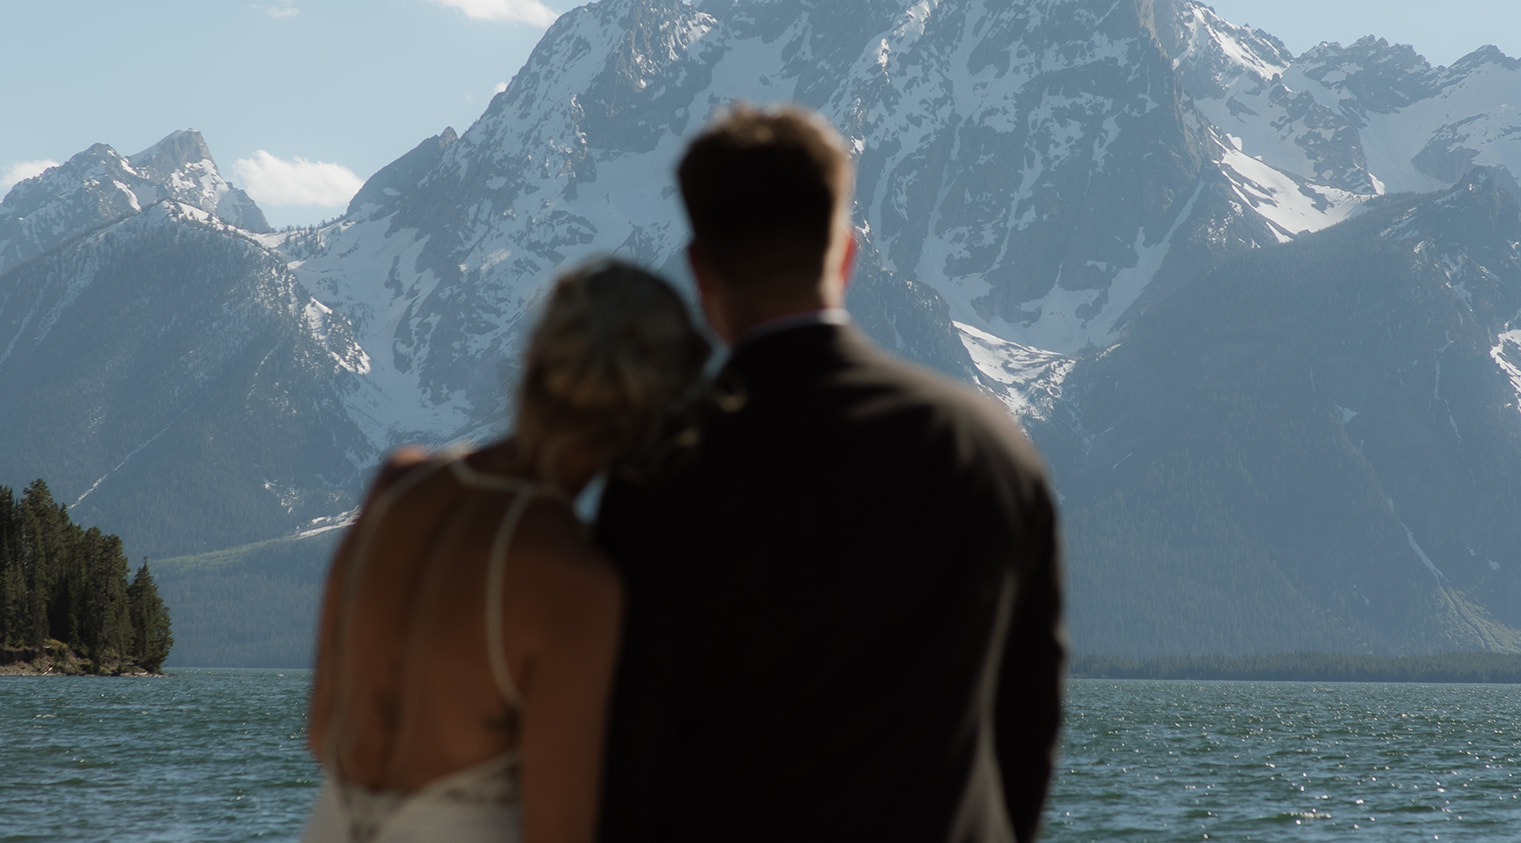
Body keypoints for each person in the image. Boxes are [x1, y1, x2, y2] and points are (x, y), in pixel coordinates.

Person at [597, 105, 1066, 843]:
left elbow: (628, 742)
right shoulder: (989, 448)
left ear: (700, 271)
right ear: (845, 254)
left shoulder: (661, 466)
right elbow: (1028, 721)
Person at [303, 260, 710, 843]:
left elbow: (323, 731)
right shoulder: (571, 580)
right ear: (660, 406)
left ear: (536, 357)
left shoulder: (401, 486)